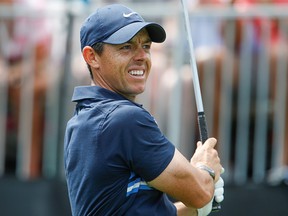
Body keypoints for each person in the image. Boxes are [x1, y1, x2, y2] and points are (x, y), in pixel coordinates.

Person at [64, 4, 224, 216]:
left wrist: (198, 208)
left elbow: (148, 210)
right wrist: (205, 169)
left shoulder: (83, 118)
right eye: (126, 47)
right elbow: (200, 192)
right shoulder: (125, 119)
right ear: (92, 57)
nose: (142, 56)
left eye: (146, 46)